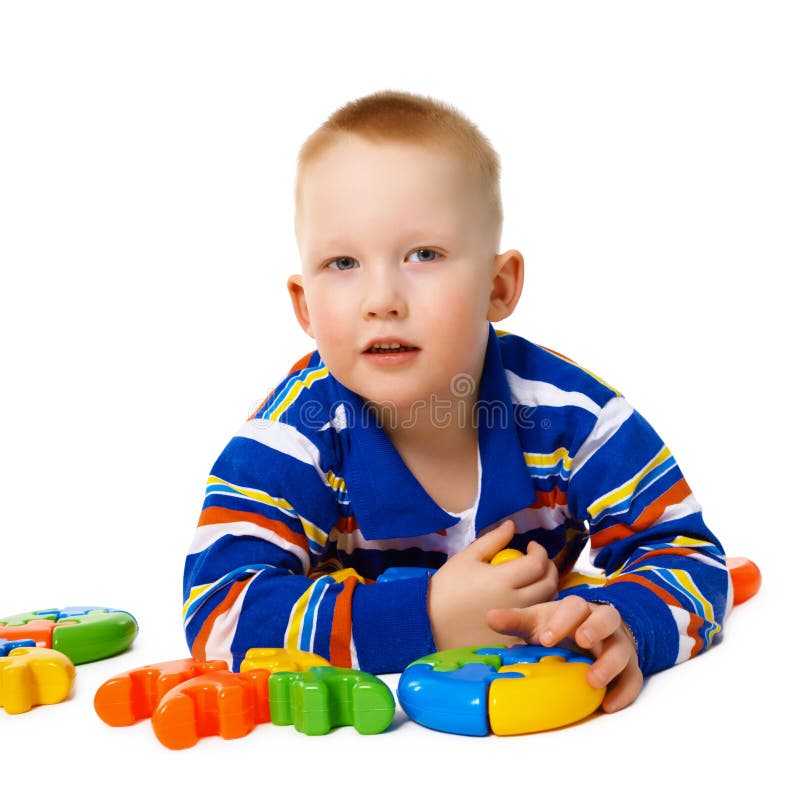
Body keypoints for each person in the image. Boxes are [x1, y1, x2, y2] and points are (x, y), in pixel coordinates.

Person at [183, 90, 729, 713]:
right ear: (304, 307)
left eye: (424, 255)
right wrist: (426, 618)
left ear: (497, 288)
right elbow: (216, 613)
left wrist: (622, 622)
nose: (381, 298)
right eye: (343, 262)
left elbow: (691, 558)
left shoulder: (573, 416)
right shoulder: (293, 439)